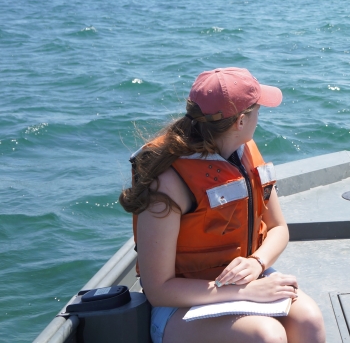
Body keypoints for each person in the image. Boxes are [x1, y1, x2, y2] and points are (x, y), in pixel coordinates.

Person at [120, 67, 326, 343]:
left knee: (309, 322)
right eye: (257, 110)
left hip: (247, 281)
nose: (259, 117)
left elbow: (279, 228)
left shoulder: (245, 151)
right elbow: (159, 289)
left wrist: (256, 263)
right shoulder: (168, 181)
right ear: (240, 121)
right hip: (180, 304)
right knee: (267, 336)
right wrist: (244, 292)